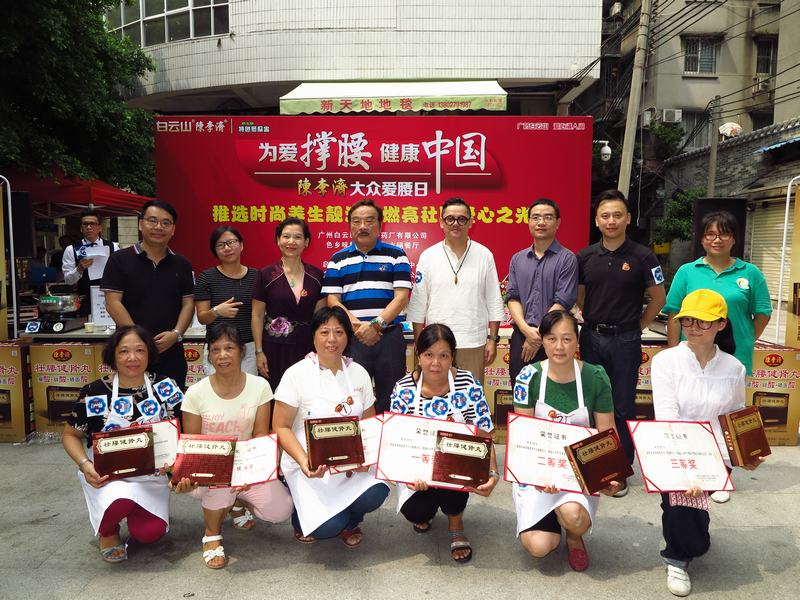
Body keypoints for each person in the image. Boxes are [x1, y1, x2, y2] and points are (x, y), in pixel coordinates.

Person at [651, 289, 764, 597]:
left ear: (721, 324)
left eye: (703, 321)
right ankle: (676, 559)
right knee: (680, 504)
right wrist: (687, 470)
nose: (693, 327)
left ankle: (688, 538)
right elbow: (668, 419)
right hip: (672, 452)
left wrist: (746, 455)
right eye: (688, 320)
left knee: (693, 525)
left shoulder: (734, 367)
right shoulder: (665, 362)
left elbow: (735, 416)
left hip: (716, 457)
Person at [173, 324, 294, 569]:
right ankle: (211, 535)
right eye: (215, 350)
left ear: (242, 351)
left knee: (280, 511)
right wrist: (183, 476)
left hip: (247, 466)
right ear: (209, 355)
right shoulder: (195, 393)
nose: (222, 355)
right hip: (207, 473)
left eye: (229, 348)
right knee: (221, 483)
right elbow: (193, 444)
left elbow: (260, 434)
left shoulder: (260, 386)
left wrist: (252, 472)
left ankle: (236, 502)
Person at [511, 310, 622, 572]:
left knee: (575, 518)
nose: (559, 347)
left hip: (579, 472)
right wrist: (539, 477)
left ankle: (573, 536)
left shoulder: (595, 377)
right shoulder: (527, 377)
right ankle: (549, 519)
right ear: (542, 341)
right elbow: (523, 436)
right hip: (539, 472)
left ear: (577, 341)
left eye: (566, 339)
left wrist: (611, 476)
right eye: (551, 339)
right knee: (539, 547)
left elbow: (607, 432)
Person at [273, 306, 390, 546]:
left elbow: (369, 425)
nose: (332, 339)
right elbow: (281, 427)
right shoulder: (296, 374)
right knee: (328, 528)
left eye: (339, 332)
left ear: (348, 337)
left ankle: (351, 520)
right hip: (310, 467)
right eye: (324, 332)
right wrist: (305, 462)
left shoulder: (358, 373)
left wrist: (365, 459)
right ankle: (304, 518)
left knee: (378, 491)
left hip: (350, 466)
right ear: (314, 336)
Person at [61, 325, 177, 563]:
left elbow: (182, 428)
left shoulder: (164, 386)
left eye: (140, 350)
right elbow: (70, 435)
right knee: (119, 501)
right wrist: (84, 464)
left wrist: (175, 464)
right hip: (107, 476)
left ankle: (136, 510)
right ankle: (109, 530)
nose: (132, 357)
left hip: (151, 475)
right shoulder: (95, 391)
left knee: (149, 533)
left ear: (149, 353)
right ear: (112, 355)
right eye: (124, 351)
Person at [577, 189, 666, 494]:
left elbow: (658, 297)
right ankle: (593, 463)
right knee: (591, 403)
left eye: (617, 215)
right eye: (605, 216)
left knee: (623, 406)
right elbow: (580, 296)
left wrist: (638, 325)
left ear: (628, 218)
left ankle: (620, 468)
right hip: (591, 337)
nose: (611, 221)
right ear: (597, 221)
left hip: (626, 340)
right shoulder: (585, 256)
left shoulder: (643, 256)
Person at [389, 323, 499, 563]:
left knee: (459, 474)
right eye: (429, 355)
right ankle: (426, 511)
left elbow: (484, 432)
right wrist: (405, 475)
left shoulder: (467, 383)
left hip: (455, 467)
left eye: (443, 356)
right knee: (416, 511)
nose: (435, 363)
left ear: (452, 357)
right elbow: (395, 439)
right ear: (418, 355)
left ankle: (455, 524)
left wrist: (492, 472)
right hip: (418, 467)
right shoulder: (404, 388)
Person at [322, 199, 412, 413]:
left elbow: (401, 297)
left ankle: (388, 434)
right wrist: (359, 327)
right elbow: (332, 300)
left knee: (391, 397)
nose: (363, 226)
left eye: (369, 221)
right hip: (353, 339)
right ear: (349, 226)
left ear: (380, 225)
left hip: (389, 337)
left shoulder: (396, 255)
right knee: (352, 396)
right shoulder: (338, 259)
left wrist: (375, 325)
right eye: (357, 221)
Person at [406, 198, 505, 385]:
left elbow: (494, 299)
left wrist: (492, 339)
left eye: (462, 219)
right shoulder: (428, 256)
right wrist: (421, 344)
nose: (455, 223)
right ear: (441, 222)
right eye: (450, 219)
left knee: (470, 395)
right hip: (436, 344)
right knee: (435, 396)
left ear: (470, 222)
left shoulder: (484, 255)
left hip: (473, 341)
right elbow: (418, 303)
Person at [665, 210, 771, 377]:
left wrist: (744, 340)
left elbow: (763, 314)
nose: (717, 240)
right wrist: (674, 354)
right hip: (692, 358)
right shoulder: (686, 272)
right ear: (701, 239)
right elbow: (674, 315)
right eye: (710, 234)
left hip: (735, 357)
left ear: (734, 238)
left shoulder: (751, 272)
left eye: (724, 234)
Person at [102, 200, 195, 387]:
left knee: (172, 402)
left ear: (173, 229)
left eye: (166, 223)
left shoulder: (182, 264)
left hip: (171, 351)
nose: (159, 227)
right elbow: (112, 302)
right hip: (132, 355)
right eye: (152, 220)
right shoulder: (119, 260)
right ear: (140, 224)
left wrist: (176, 334)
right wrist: (140, 340)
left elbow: (188, 303)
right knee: (132, 402)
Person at [506, 198, 578, 384]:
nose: (541, 222)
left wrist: (537, 336)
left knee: (554, 390)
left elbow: (563, 300)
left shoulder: (567, 259)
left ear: (557, 222)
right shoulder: (517, 259)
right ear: (529, 221)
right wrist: (526, 330)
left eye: (548, 217)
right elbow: (512, 297)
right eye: (536, 217)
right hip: (522, 336)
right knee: (522, 388)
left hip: (555, 338)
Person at [251, 217, 324, 391]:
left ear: (306, 242)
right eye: (286, 236)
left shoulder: (317, 275)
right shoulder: (266, 274)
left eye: (298, 237)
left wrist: (321, 350)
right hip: (273, 347)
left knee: (307, 393)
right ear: (278, 240)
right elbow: (257, 315)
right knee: (276, 393)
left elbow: (320, 317)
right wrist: (259, 352)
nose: (291, 241)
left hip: (308, 347)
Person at [194, 226, 258, 375]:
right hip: (218, 347)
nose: (227, 248)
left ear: (241, 245)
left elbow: (260, 314)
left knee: (248, 389)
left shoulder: (256, 276)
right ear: (215, 251)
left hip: (248, 347)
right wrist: (217, 311)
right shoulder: (206, 277)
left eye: (231, 242)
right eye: (220, 245)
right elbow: (202, 318)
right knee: (217, 390)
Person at [61, 210, 120, 315]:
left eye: (92, 224)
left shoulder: (113, 247)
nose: (89, 227)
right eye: (85, 224)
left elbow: (121, 274)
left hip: (109, 299)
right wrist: (79, 269)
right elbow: (68, 281)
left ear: (100, 227)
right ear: (81, 228)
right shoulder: (71, 249)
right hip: (84, 301)